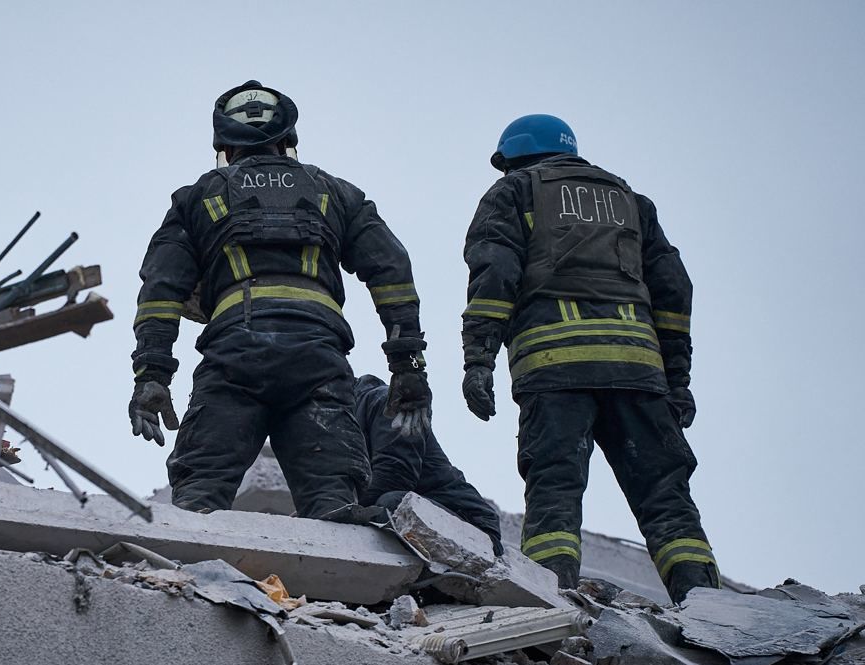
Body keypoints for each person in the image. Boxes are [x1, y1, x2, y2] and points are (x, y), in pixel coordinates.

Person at [129, 80, 431, 520]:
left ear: (225, 147)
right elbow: (393, 272)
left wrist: (151, 374)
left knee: (199, 495)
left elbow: (160, 290)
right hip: (318, 361)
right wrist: (407, 366)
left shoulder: (199, 196)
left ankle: (183, 583)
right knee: (333, 499)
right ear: (287, 139)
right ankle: (341, 585)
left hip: (234, 358)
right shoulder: (334, 193)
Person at [459, 113, 717, 603]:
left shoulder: (515, 193)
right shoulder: (631, 202)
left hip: (554, 369)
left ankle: (549, 605)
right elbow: (673, 290)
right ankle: (707, 611)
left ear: (512, 157)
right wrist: (677, 379)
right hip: (638, 371)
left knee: (554, 491)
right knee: (666, 497)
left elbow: (494, 275)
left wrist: (478, 359)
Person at [352, 373, 503, 554]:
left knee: (393, 505)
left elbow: (395, 474)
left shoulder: (385, 401)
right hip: (424, 512)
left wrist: (345, 507)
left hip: (473, 526)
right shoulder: (337, 425)